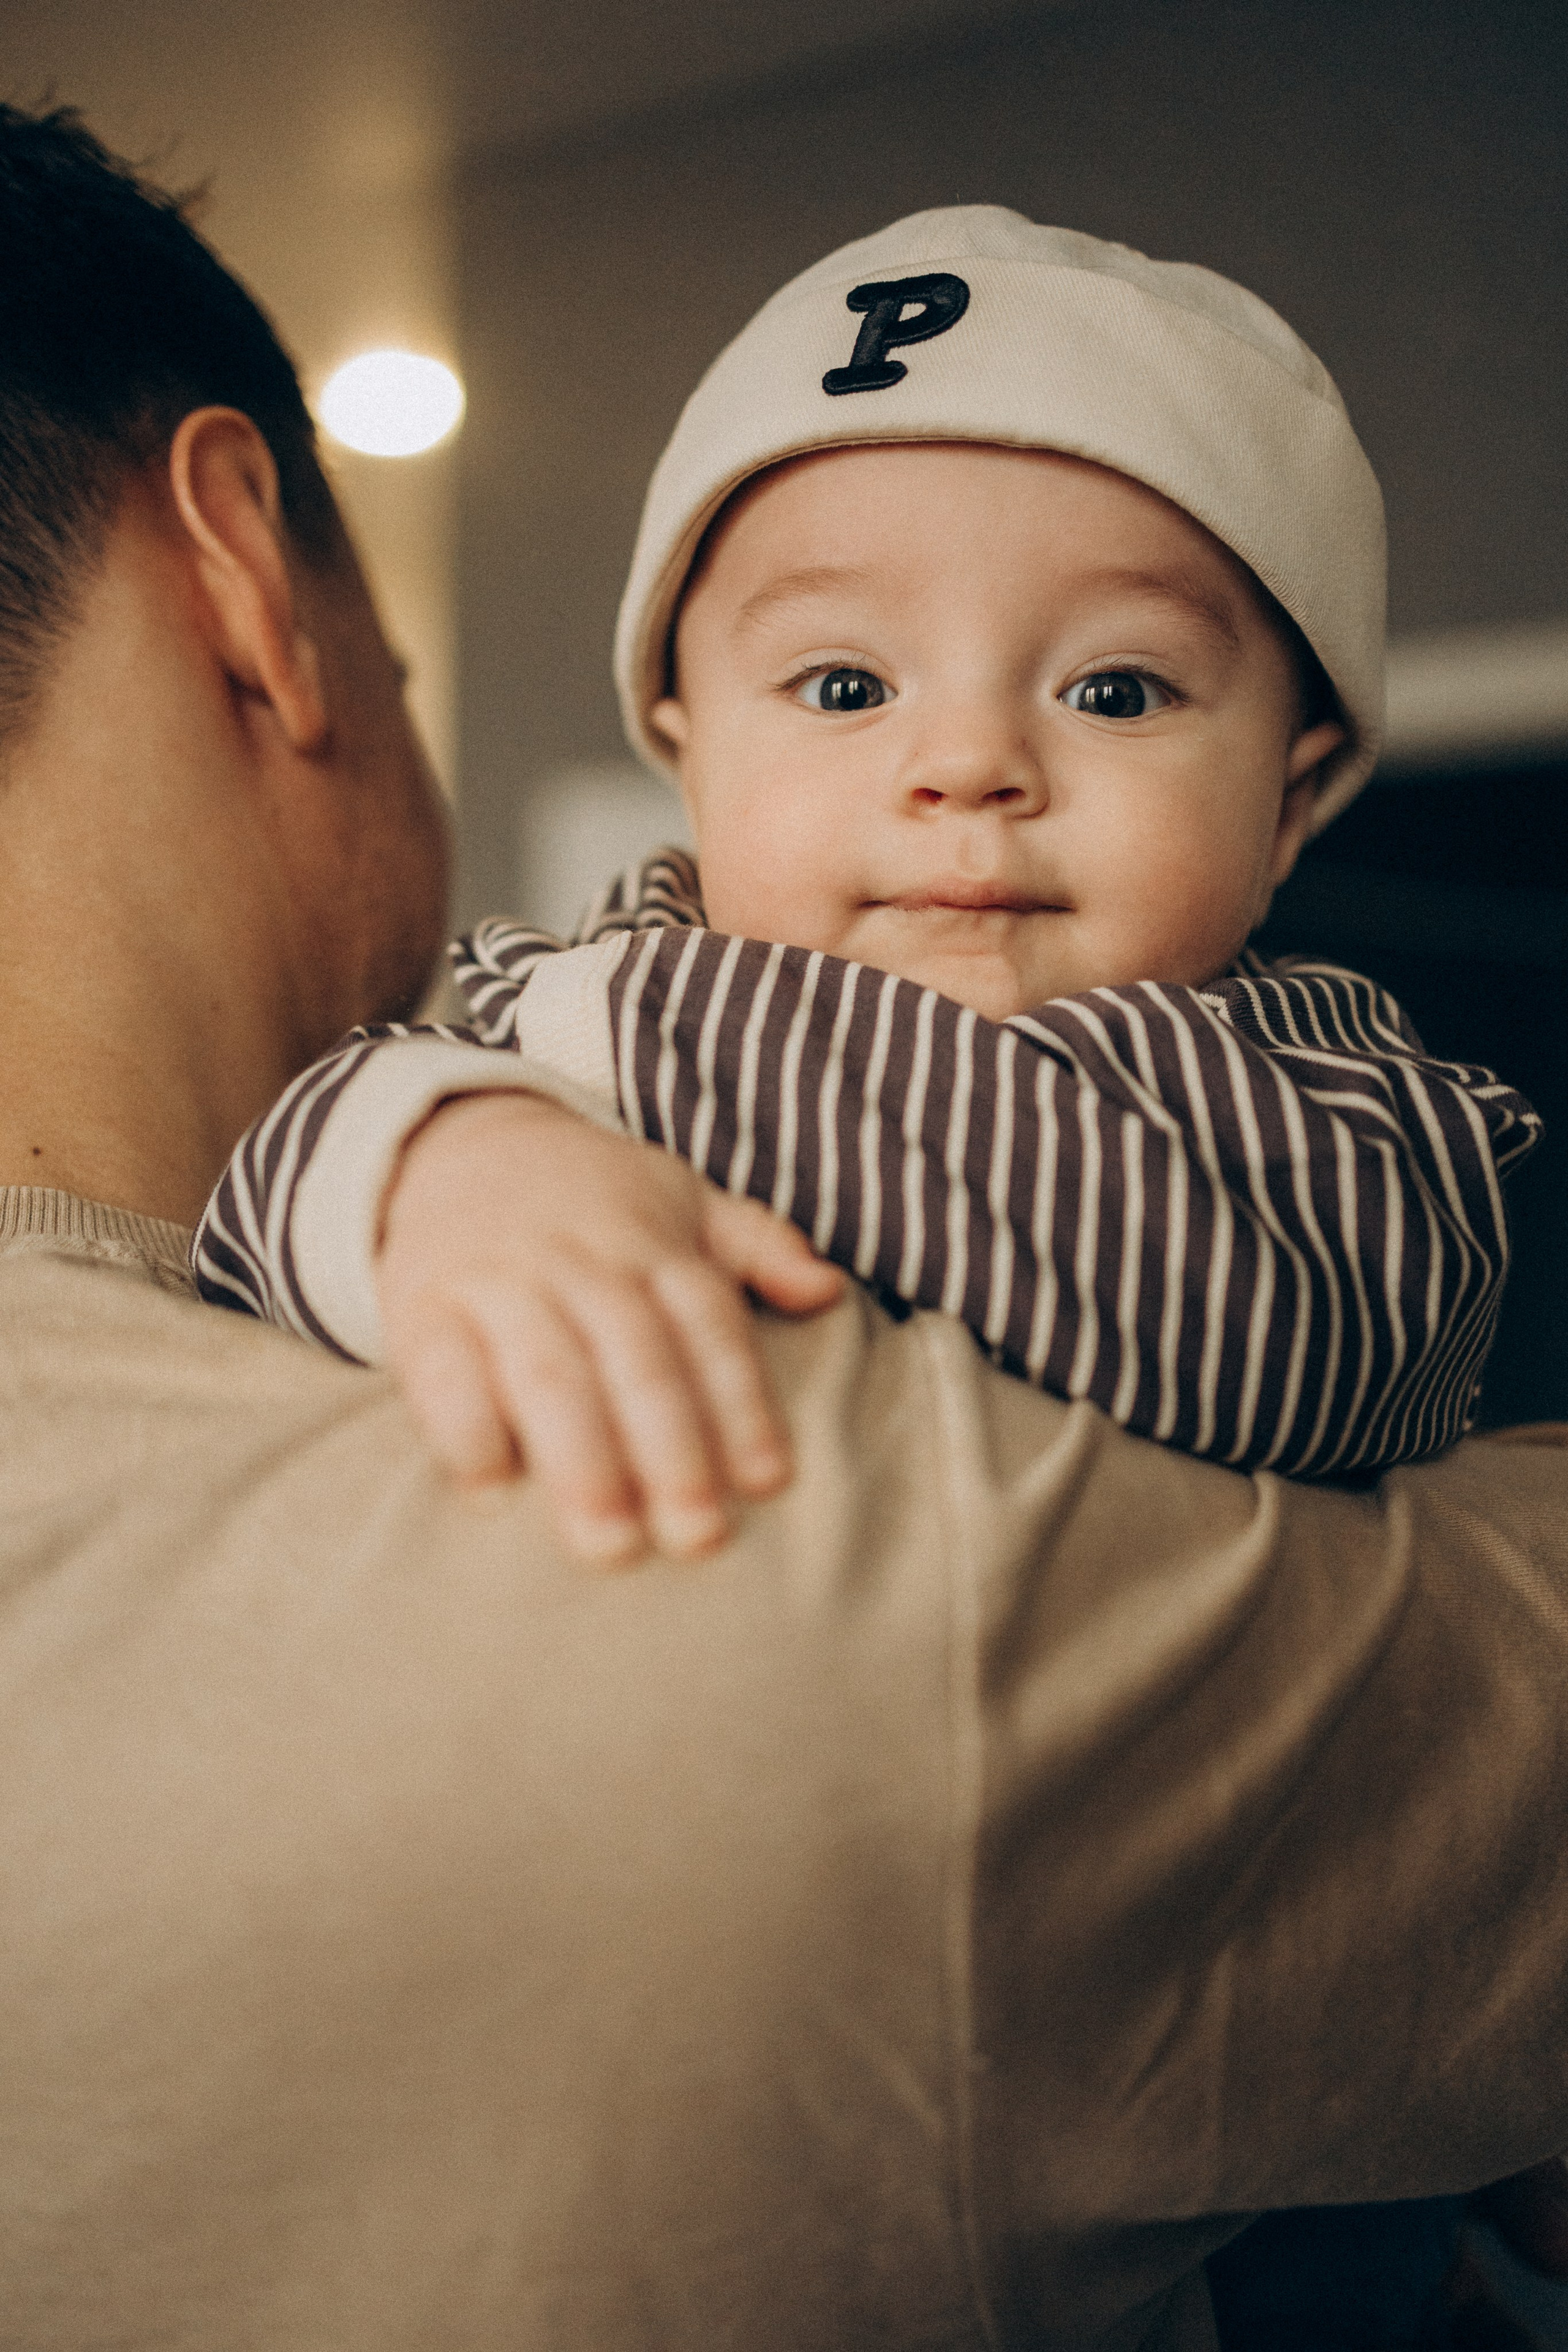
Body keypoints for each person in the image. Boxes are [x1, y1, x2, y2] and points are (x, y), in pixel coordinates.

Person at [3, 104, 1568, 2352]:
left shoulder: (1326, 1091)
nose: (966, 771)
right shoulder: (568, 1057)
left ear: (1302, 780)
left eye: (1114, 690)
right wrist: (459, 1150)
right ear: (255, 585)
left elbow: (1278, 1321)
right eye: (843, 689)